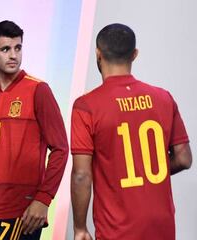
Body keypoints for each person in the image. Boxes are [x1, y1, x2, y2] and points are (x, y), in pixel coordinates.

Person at [70, 23, 192, 240]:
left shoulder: (86, 106)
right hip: (162, 227)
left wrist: (80, 228)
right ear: (134, 55)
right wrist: (151, 170)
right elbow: (183, 159)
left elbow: (81, 175)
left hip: (117, 230)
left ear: (98, 54)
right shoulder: (164, 97)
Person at [0, 20, 69, 240]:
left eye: (18, 48)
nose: (13, 55)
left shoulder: (38, 90)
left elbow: (60, 149)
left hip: (24, 211)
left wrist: (43, 198)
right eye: (5, 49)